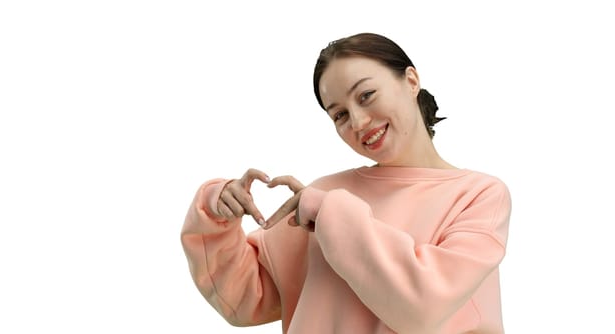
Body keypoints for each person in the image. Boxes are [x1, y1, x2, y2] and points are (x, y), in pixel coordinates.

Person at [181, 32, 512, 333]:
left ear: (411, 80)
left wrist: (329, 211)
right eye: (338, 114)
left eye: (366, 95)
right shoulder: (322, 195)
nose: (358, 121)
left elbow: (423, 307)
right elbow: (245, 300)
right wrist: (218, 212)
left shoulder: (478, 195)